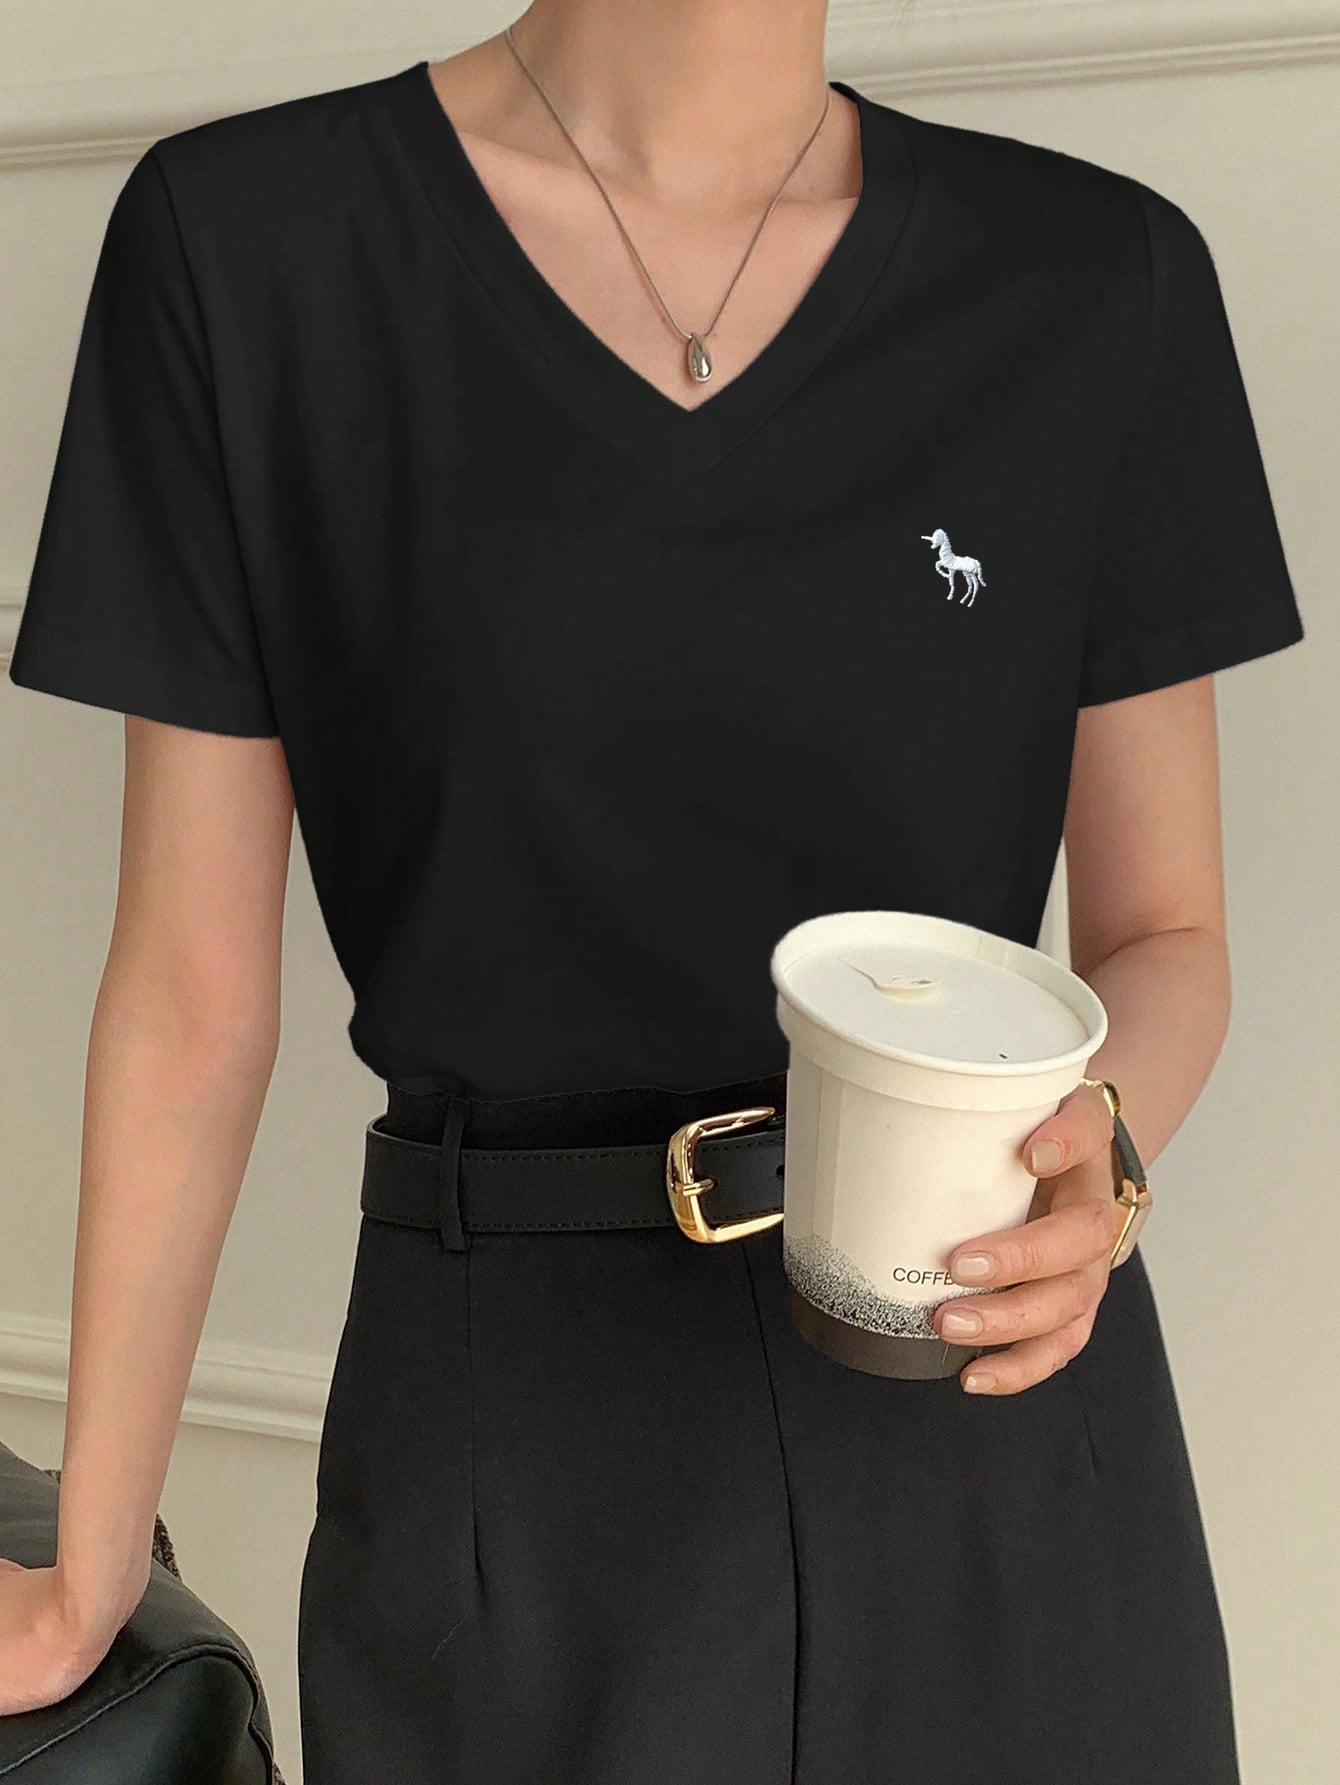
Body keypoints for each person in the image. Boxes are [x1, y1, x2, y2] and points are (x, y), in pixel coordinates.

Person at [0, 2, 1306, 1780]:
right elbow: (188, 999)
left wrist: (1105, 1143)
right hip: (517, 1466)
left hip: (996, 1423)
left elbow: (1167, 936)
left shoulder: (1097, 282)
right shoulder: (252, 249)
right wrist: (90, 1563)